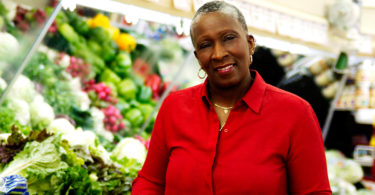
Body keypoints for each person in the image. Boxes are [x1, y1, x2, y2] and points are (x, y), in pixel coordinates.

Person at [132, 1, 331, 194]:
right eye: (205, 45)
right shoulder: (174, 107)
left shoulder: (295, 114)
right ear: (197, 56)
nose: (218, 54)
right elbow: (150, 181)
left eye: (228, 38)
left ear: (250, 43)